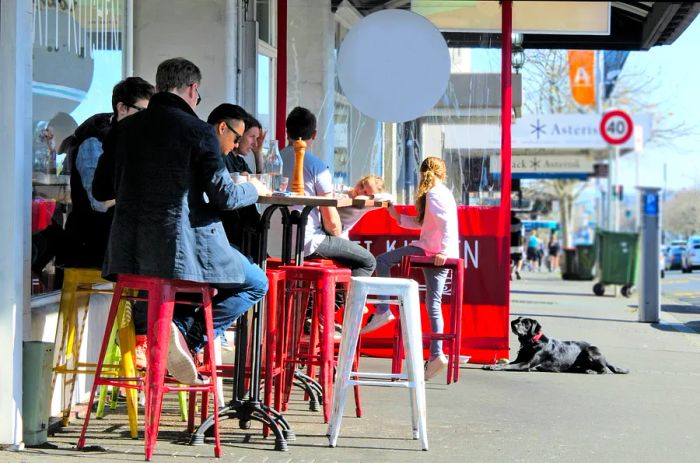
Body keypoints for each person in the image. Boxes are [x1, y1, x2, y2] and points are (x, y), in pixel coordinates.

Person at [93, 57, 270, 385]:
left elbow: (101, 188)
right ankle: (185, 339)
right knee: (256, 281)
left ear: (160, 86)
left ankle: (166, 331)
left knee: (188, 283)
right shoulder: (198, 132)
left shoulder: (125, 128)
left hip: (127, 255)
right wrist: (252, 189)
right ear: (192, 89)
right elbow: (224, 198)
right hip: (182, 252)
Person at [361, 157, 459, 381]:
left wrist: (443, 250)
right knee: (432, 303)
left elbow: (445, 224)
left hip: (431, 252)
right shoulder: (442, 193)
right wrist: (397, 216)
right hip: (436, 251)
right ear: (442, 174)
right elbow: (427, 223)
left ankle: (384, 308)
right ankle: (436, 354)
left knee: (383, 261)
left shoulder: (434, 194)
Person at [63, 77, 155, 270]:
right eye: (143, 113)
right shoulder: (94, 140)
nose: (148, 121)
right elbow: (99, 203)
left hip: (121, 239)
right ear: (122, 108)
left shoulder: (134, 139)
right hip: (92, 241)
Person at [279, 107, 376, 278]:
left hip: (273, 243)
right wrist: (339, 235)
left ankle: (313, 304)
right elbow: (332, 223)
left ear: (287, 132)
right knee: (367, 261)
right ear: (314, 135)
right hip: (306, 242)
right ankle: (342, 305)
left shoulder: (273, 161)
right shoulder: (316, 166)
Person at [207, 103, 261, 253]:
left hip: (224, 237)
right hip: (221, 239)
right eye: (238, 137)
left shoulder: (232, 159)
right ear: (222, 128)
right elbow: (228, 197)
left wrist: (258, 156)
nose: (236, 144)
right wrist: (254, 186)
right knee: (259, 278)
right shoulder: (214, 157)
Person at [338, 174, 394, 239]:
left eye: (366, 193)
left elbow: (390, 198)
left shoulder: (365, 205)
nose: (360, 191)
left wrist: (369, 198)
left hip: (339, 235)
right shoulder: (343, 190)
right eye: (361, 185)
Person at [510, 211, 523, 280]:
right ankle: (517, 270)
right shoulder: (519, 221)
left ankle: (510, 273)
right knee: (519, 259)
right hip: (518, 243)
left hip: (509, 244)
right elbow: (522, 232)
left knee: (510, 260)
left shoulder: (505, 221)